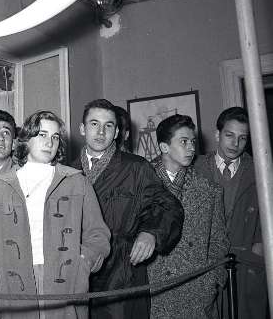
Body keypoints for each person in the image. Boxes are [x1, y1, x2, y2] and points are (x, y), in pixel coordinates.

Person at [0, 110, 111, 319]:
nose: (49, 142)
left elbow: (98, 235)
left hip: (65, 284)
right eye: (42, 135)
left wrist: (83, 261)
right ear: (26, 139)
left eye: (55, 137)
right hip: (13, 288)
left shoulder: (76, 181)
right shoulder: (0, 187)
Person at [70, 99, 184, 319]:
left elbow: (168, 206)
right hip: (79, 272)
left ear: (116, 133)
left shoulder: (136, 167)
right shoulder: (66, 171)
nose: (101, 132)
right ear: (82, 129)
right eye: (94, 124)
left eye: (108, 125)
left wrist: (151, 233)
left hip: (123, 273)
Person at [148, 114, 228, 319]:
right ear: (164, 147)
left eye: (193, 141)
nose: (191, 147)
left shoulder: (209, 190)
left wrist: (212, 281)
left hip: (197, 294)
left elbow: (218, 242)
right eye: (183, 141)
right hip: (153, 294)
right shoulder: (141, 185)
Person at [194, 107, 268, 319]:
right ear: (217, 134)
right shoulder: (195, 168)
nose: (235, 144)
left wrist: (260, 244)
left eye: (242, 138)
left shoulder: (261, 171)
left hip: (247, 265)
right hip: (206, 265)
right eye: (229, 135)